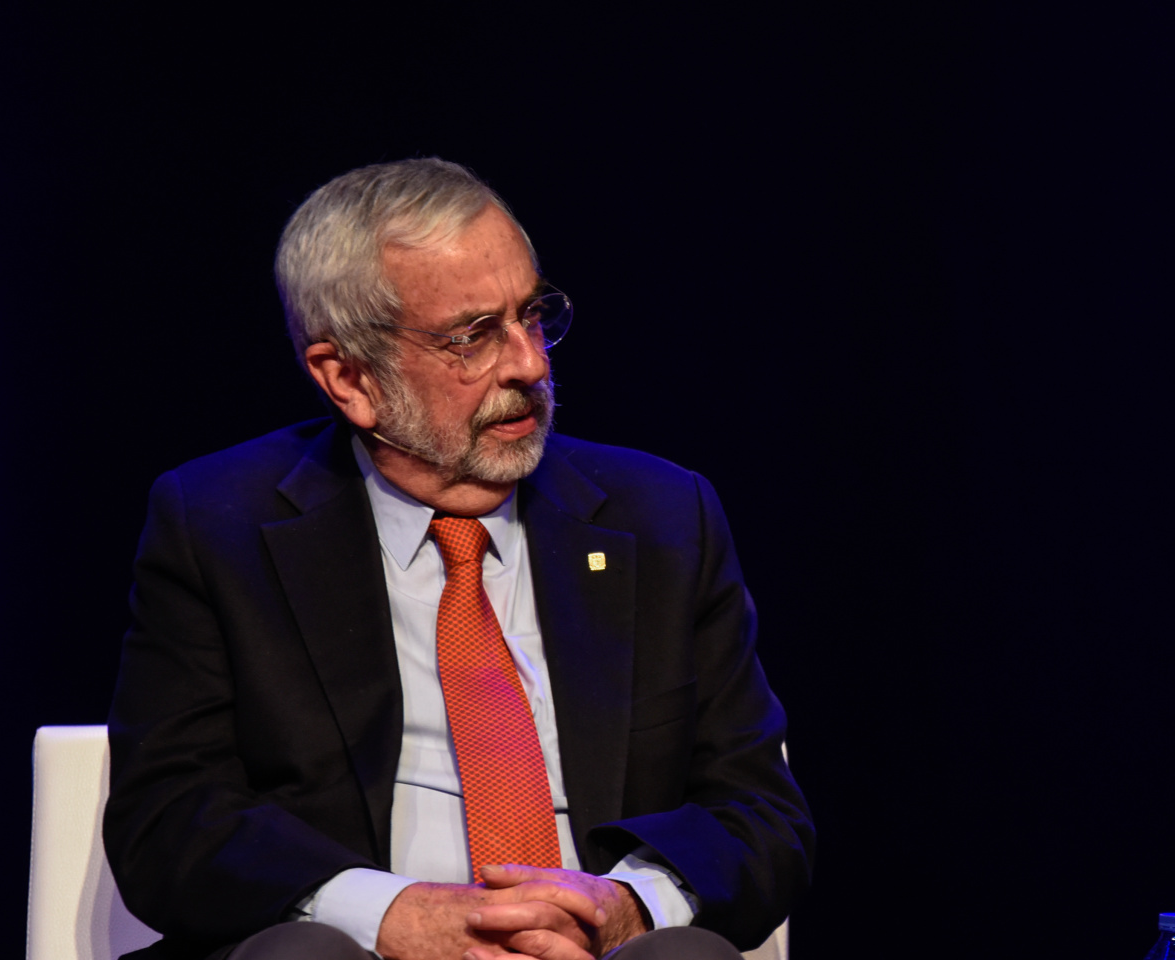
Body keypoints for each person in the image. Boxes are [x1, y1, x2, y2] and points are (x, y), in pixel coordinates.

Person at [103, 159, 813, 960]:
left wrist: (623, 905)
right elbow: (167, 819)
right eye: (472, 336)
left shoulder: (662, 518)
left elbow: (760, 815)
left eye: (532, 315)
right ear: (349, 377)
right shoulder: (219, 525)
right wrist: (391, 913)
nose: (530, 365)